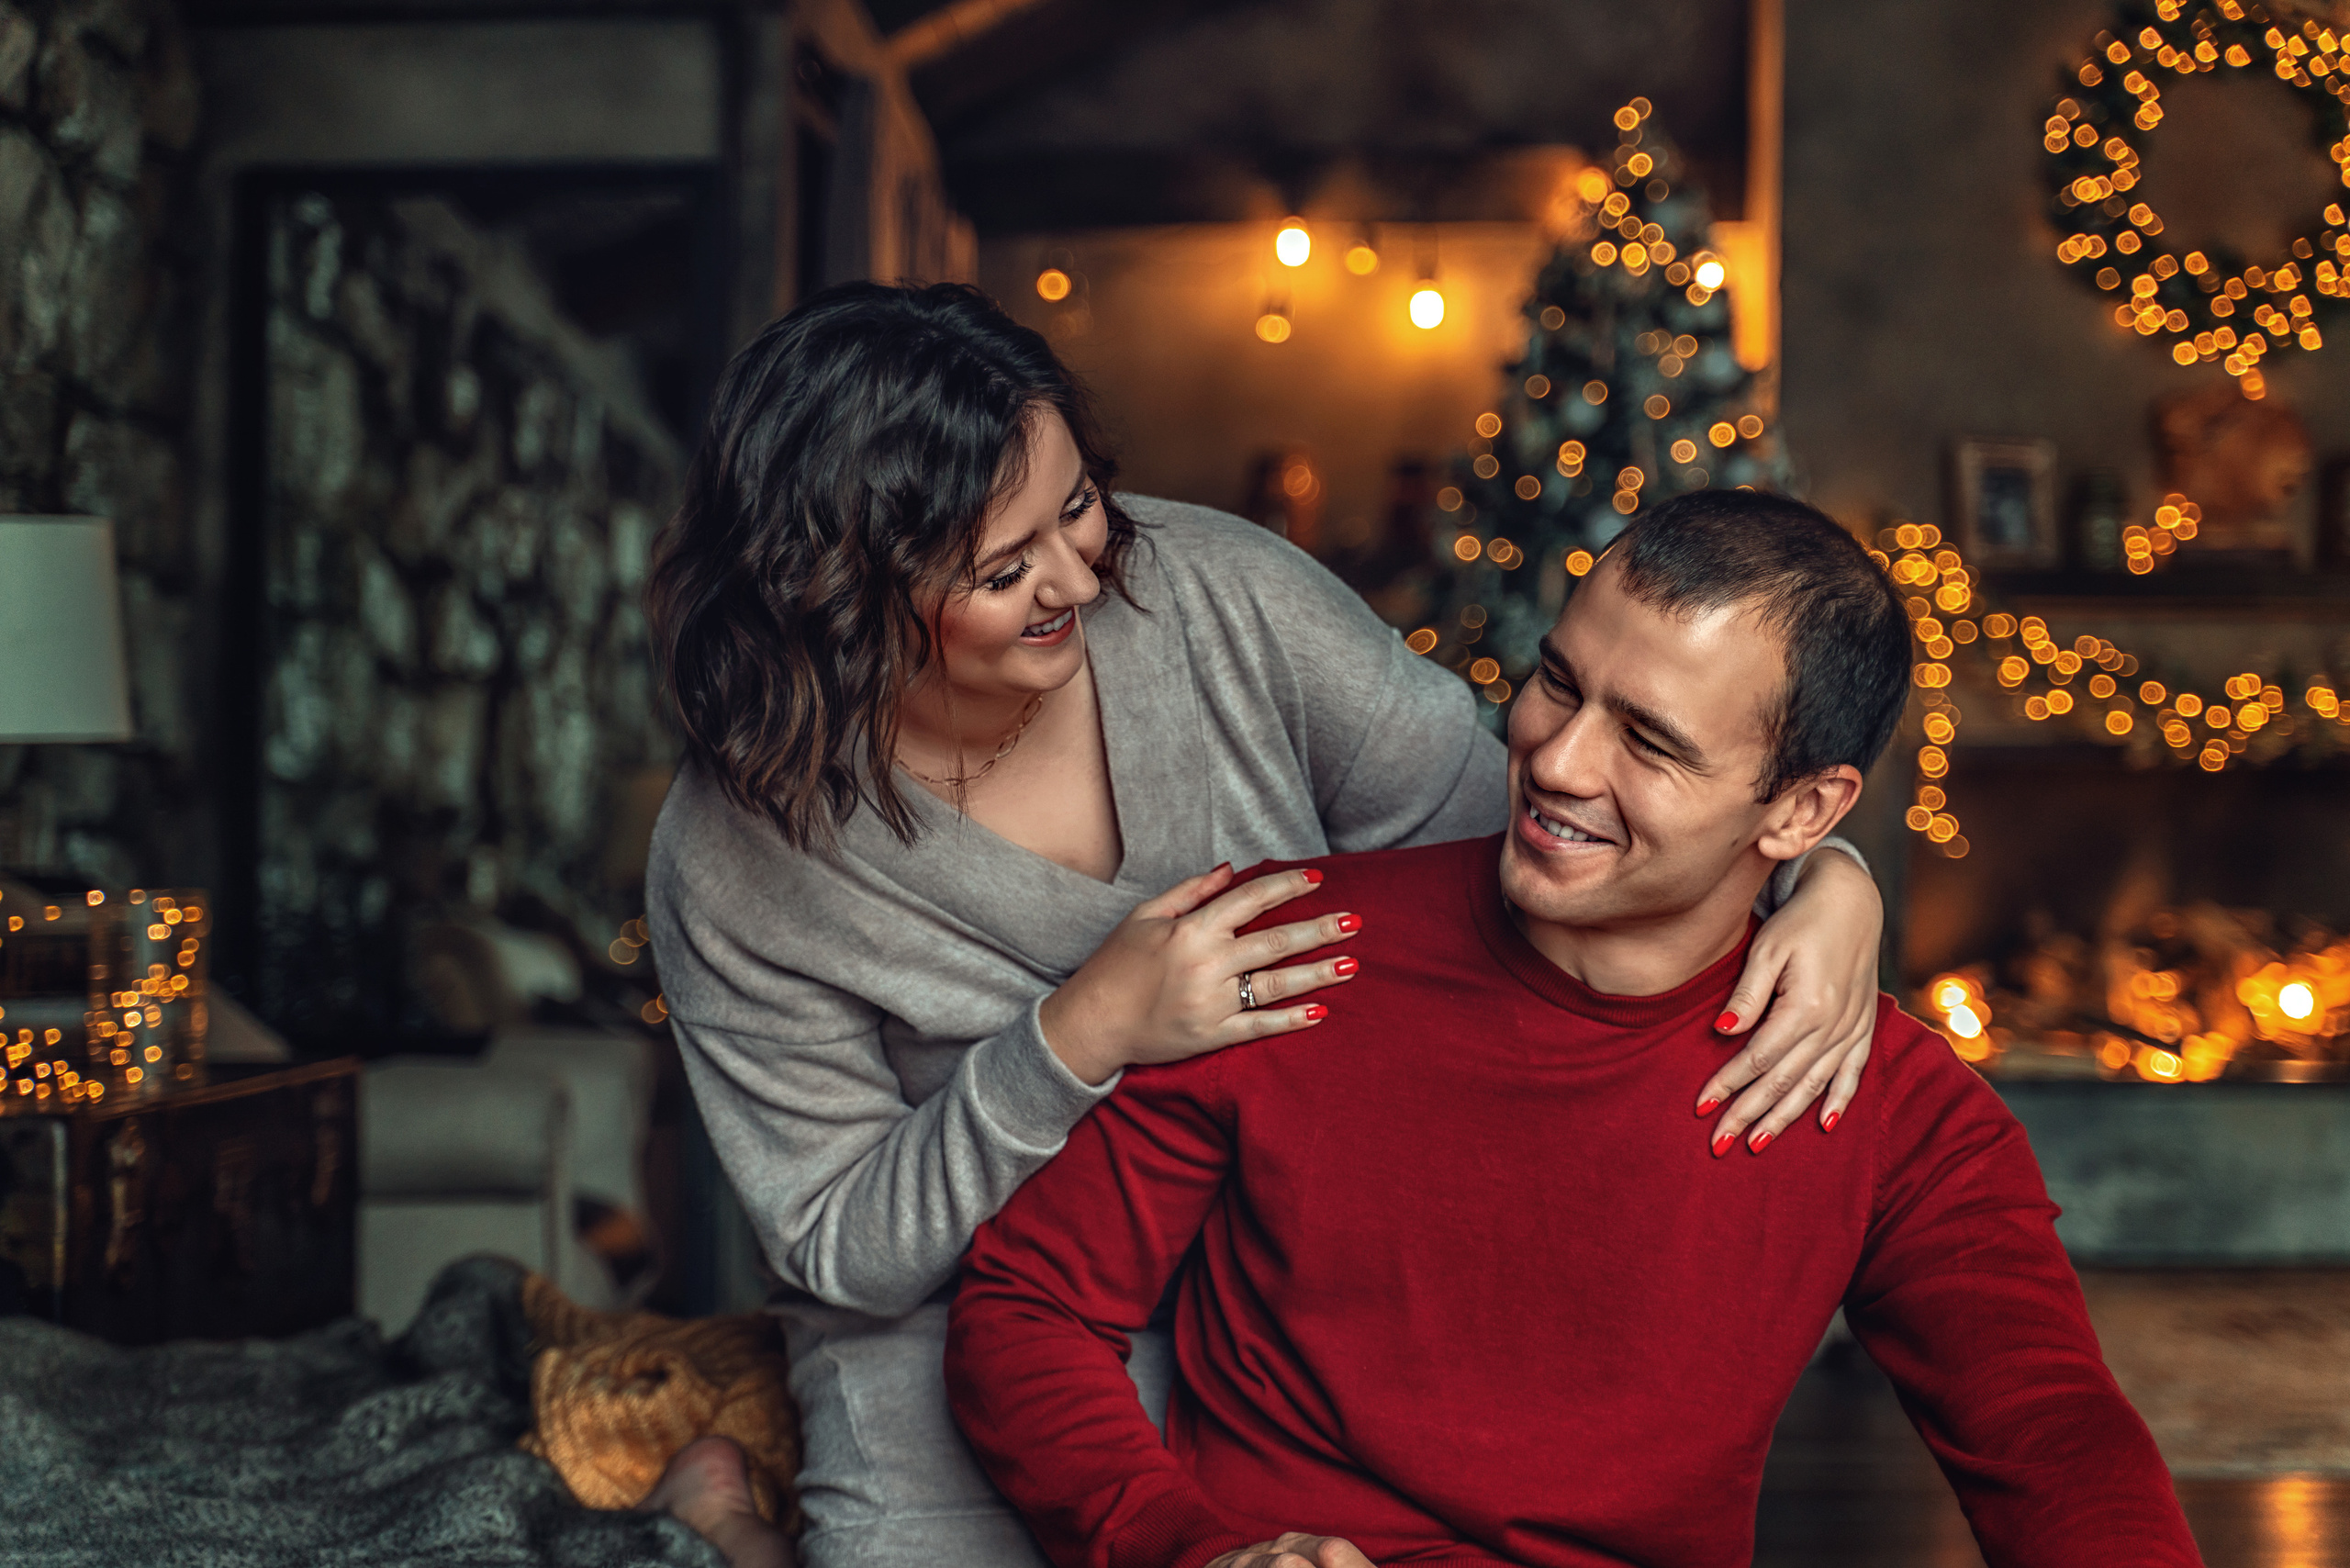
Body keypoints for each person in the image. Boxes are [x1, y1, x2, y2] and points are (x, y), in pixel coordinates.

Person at [641, 284, 1891, 1568]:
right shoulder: (732, 858)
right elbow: (842, 1245)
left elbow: (1533, 850)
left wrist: (1821, 878)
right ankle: (726, 1533)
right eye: (1003, 569)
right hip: (972, 1307)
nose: (1082, 576)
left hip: (1294, 1259)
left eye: (1078, 505)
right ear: (836, 590)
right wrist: (1076, 1035)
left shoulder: (1221, 597)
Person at [945, 490, 2203, 1568]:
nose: (1555, 760)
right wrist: (1194, 1548)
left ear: (1804, 809)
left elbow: (2051, 1434)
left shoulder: (1896, 1109)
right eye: (1559, 683)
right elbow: (1026, 1307)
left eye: (1648, 741)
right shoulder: (1274, 952)